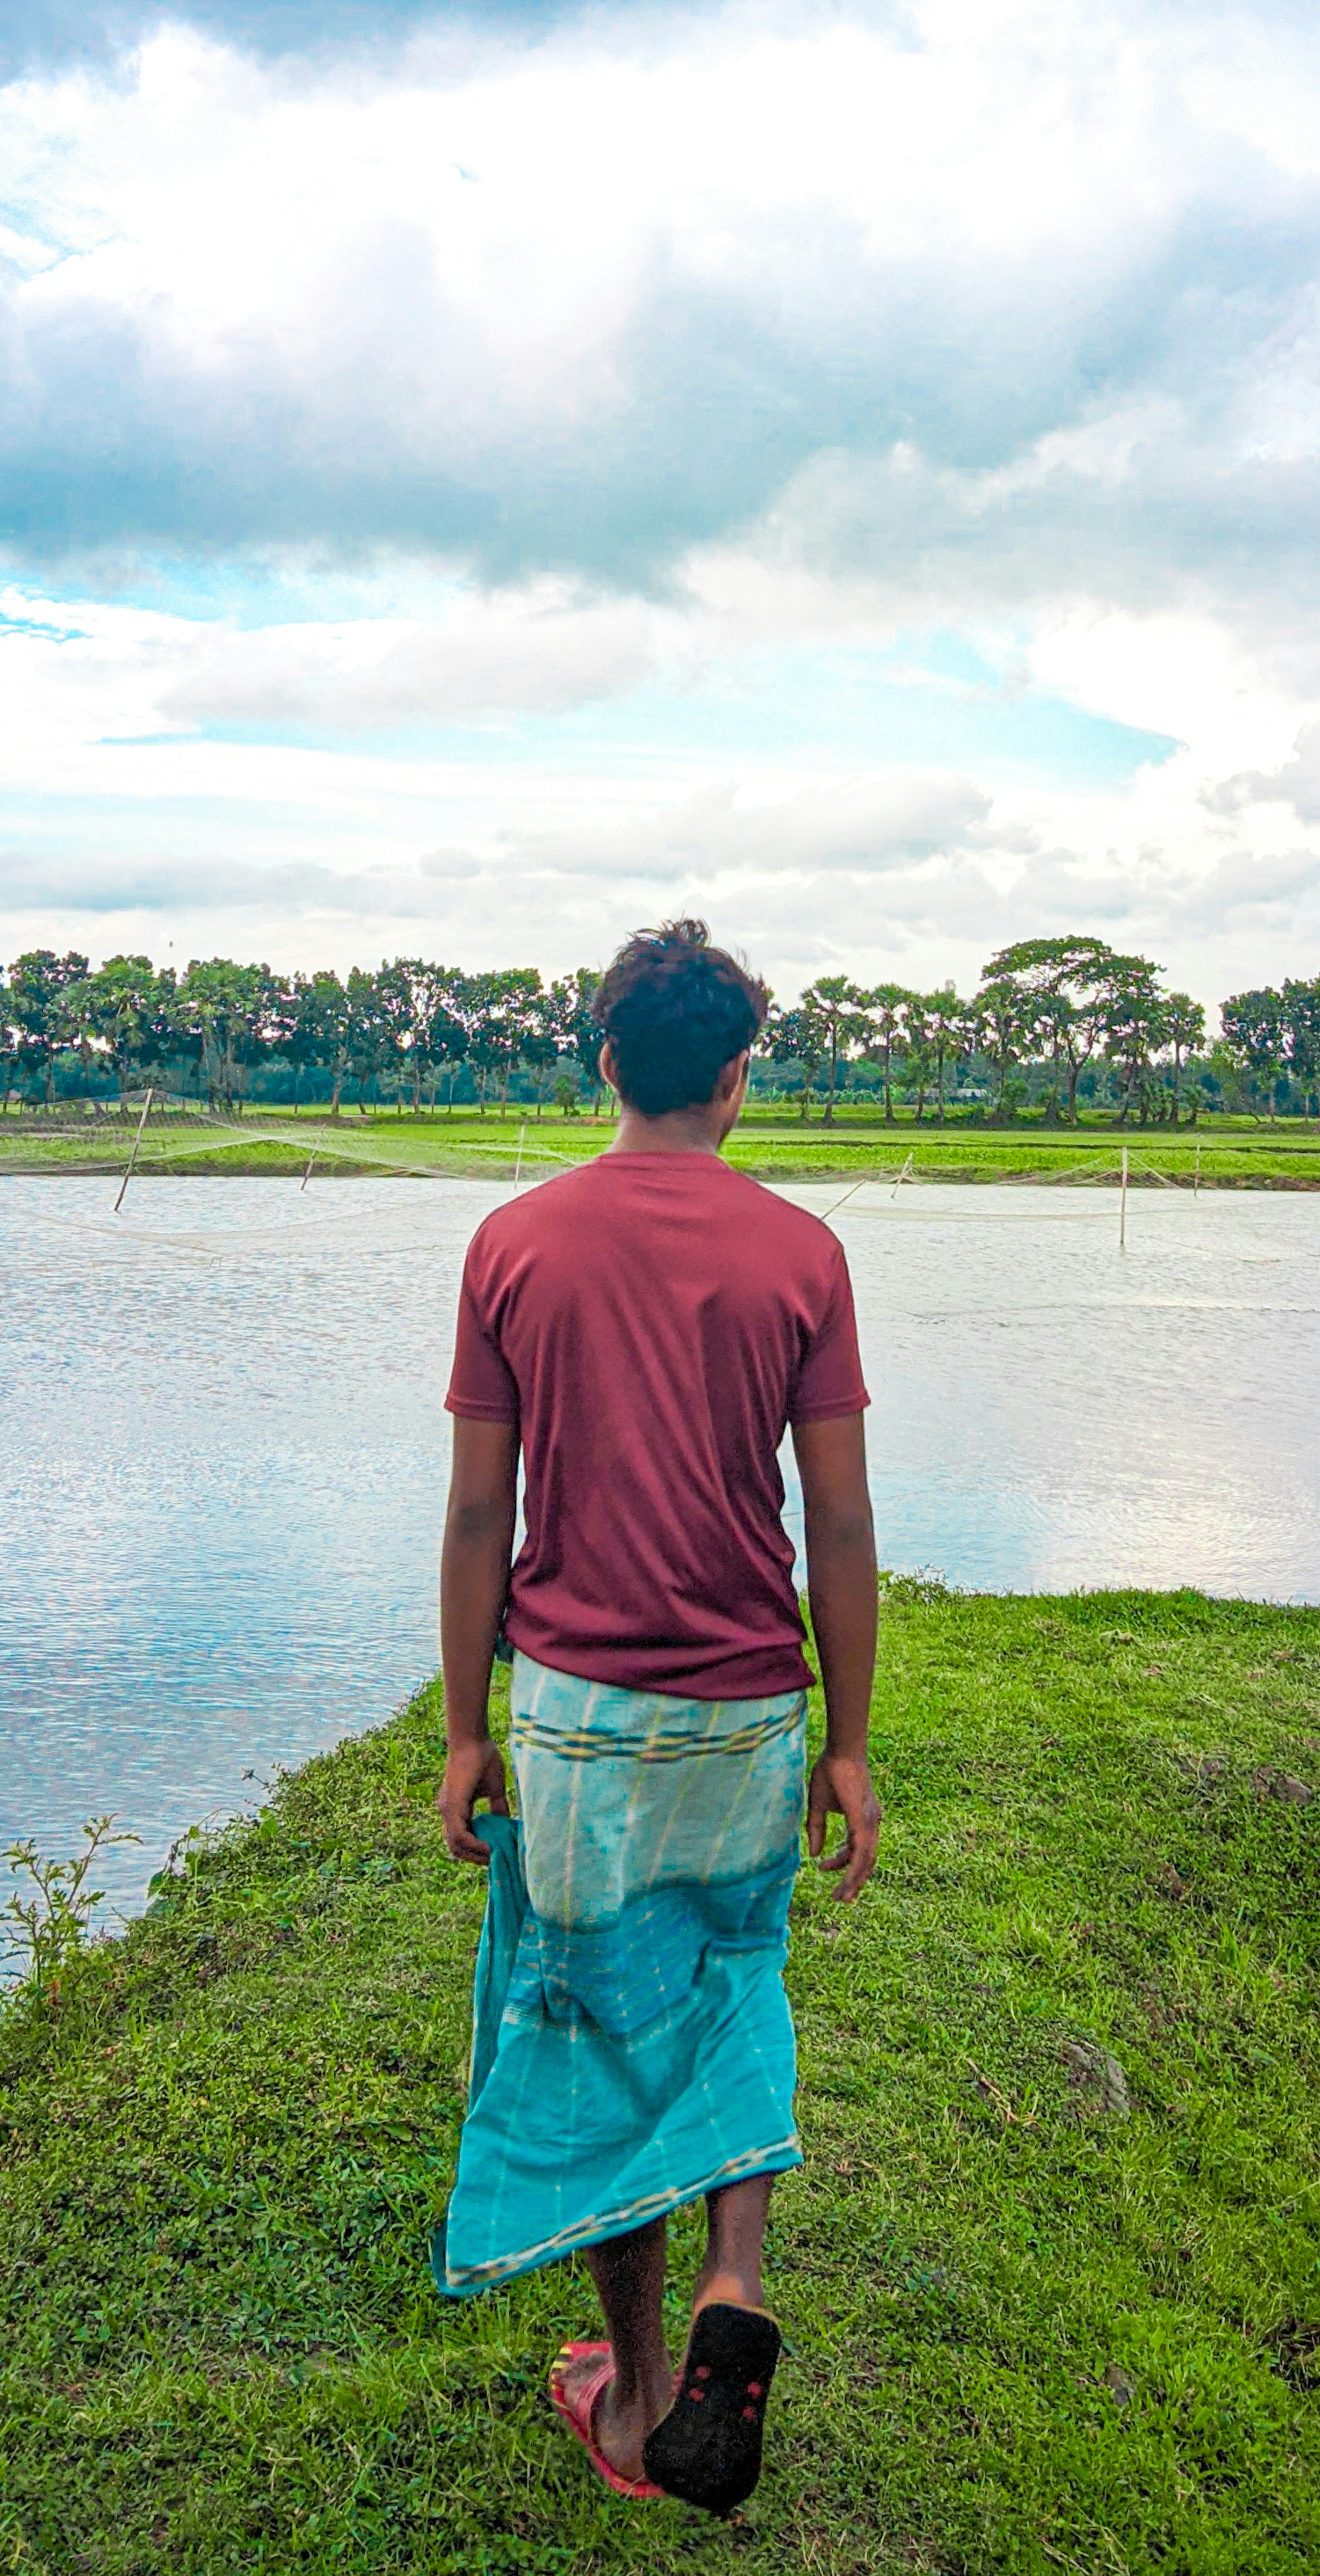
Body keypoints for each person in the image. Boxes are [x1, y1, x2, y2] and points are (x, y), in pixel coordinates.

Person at [429, 919, 882, 2516]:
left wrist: (464, 1722)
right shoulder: (800, 1252)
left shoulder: (513, 1240)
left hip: (578, 1716)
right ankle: (732, 2280)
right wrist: (845, 1739)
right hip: (751, 1701)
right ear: (738, 1079)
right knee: (736, 1981)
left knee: (602, 2031)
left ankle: (629, 2405)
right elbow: (836, 1518)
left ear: (607, 1062)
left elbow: (481, 1510)